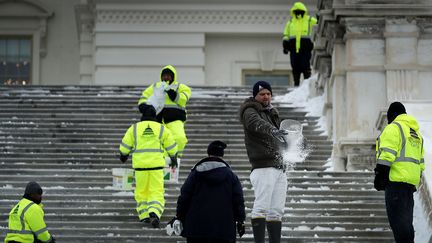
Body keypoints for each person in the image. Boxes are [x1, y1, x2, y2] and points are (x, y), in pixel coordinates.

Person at [239, 81, 288, 243]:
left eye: (268, 93)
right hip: (263, 166)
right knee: (261, 207)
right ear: (255, 95)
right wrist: (273, 130)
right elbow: (255, 123)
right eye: (262, 94)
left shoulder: (271, 112)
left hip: (278, 167)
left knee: (276, 211)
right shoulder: (250, 110)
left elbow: (279, 138)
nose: (266, 96)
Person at [174, 140, 246, 243]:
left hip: (196, 228)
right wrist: (240, 220)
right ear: (222, 155)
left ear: (208, 154)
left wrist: (179, 216)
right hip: (223, 228)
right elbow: (238, 200)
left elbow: (185, 196)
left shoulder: (195, 173)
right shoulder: (231, 176)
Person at [119, 105, 178, 228]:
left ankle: (144, 216)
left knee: (141, 192)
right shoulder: (161, 128)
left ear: (143, 115)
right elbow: (171, 144)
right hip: (156, 167)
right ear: (154, 116)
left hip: (140, 167)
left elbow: (125, 145)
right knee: (156, 191)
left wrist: (124, 155)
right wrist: (173, 157)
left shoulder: (134, 128)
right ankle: (154, 212)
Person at [374, 101, 425, 243]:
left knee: (399, 225)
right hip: (409, 187)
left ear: (392, 116)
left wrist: (380, 176)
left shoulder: (394, 128)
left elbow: (387, 154)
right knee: (406, 225)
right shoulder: (416, 134)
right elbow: (421, 164)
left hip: (395, 185)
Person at [138, 65, 191, 157]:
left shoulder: (181, 87)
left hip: (175, 119)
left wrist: (173, 94)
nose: (166, 77)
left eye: (169, 75)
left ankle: (176, 157)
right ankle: (165, 159)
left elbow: (183, 99)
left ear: (173, 77)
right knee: (159, 141)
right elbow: (143, 98)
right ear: (161, 76)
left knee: (180, 138)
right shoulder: (155, 86)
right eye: (164, 75)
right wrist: (144, 106)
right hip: (158, 120)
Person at [282, 2, 317, 87]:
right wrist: (285, 44)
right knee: (295, 67)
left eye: (299, 11)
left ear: (303, 11)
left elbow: (317, 25)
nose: (298, 13)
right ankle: (296, 83)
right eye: (296, 11)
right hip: (294, 49)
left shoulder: (309, 20)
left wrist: (319, 19)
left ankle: (306, 84)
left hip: (305, 48)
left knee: (306, 66)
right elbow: (286, 34)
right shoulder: (290, 23)